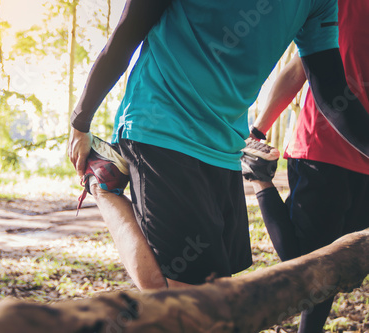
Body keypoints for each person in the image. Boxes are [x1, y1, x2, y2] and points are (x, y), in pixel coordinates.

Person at [67, 0, 369, 291]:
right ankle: (101, 184)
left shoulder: (320, 2)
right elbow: (127, 33)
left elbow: (332, 93)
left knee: (218, 285)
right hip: (161, 121)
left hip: (226, 141)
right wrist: (81, 121)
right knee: (178, 292)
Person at [242, 0, 369, 331]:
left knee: (344, 266)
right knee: (309, 266)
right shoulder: (337, 5)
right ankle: (261, 180)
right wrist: (257, 130)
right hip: (321, 149)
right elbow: (300, 67)